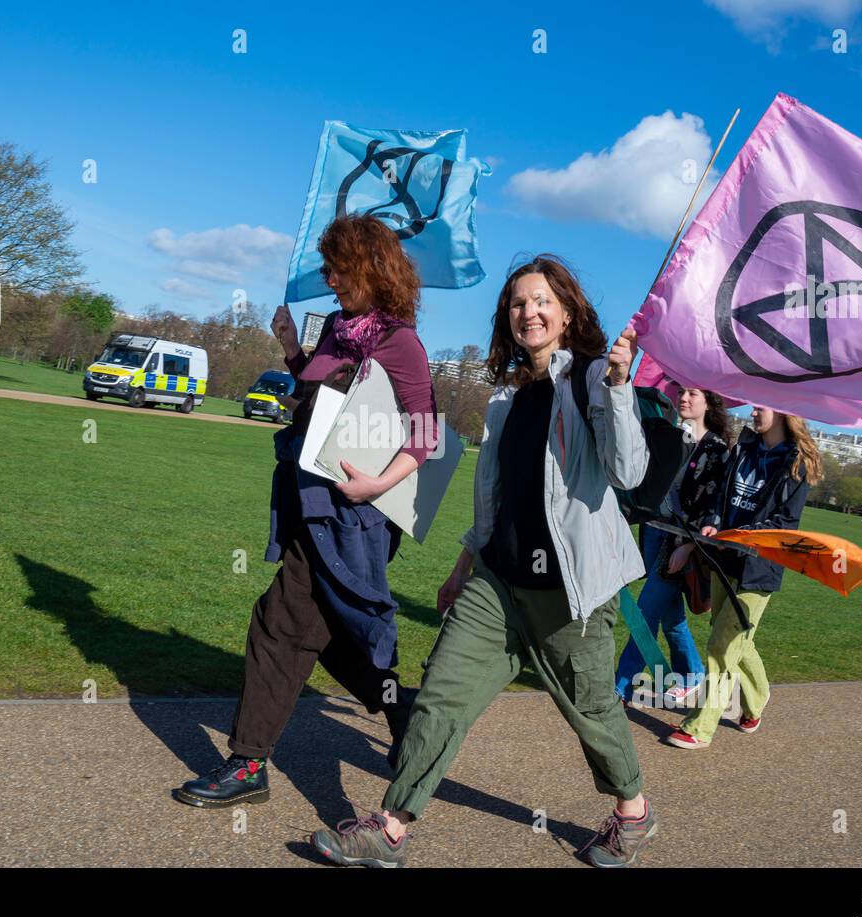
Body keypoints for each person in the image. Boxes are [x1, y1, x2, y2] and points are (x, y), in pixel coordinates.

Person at [307, 255, 656, 868]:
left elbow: (629, 471)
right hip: (497, 583)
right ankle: (388, 829)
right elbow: (494, 497)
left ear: (567, 311)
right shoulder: (506, 399)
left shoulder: (594, 381)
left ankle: (632, 809)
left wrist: (621, 390)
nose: (530, 312)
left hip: (572, 591)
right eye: (519, 303)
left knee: (593, 712)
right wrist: (464, 563)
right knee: (441, 694)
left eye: (543, 300)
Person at [175, 215, 438, 808]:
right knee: (334, 631)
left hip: (354, 514)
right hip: (304, 495)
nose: (330, 277)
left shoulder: (398, 341)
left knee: (280, 621)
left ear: (372, 267)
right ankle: (406, 711)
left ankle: (247, 765)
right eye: (328, 266)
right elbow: (310, 390)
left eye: (339, 266)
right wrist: (291, 345)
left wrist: (378, 485)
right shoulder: (339, 329)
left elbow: (425, 430)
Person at [665, 407, 822, 749]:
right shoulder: (744, 448)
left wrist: (742, 534)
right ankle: (758, 698)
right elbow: (720, 495)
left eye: (759, 405)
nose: (752, 410)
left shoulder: (796, 463)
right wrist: (712, 521)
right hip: (724, 560)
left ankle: (699, 727)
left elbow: (784, 523)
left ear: (782, 412)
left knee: (722, 647)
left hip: (759, 568)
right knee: (738, 641)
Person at [615, 387, 731, 708]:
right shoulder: (672, 436)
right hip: (654, 532)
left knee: (646, 611)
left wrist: (688, 548)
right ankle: (692, 674)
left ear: (709, 403)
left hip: (680, 542)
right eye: (682, 391)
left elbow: (712, 507)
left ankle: (621, 686)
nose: (684, 397)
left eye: (694, 394)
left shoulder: (716, 450)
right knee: (670, 617)